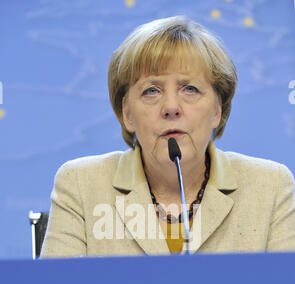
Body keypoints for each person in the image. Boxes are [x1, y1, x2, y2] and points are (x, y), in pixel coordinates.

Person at [40, 16, 295, 258]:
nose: (171, 107)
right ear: (127, 113)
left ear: (217, 110)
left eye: (190, 89)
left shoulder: (270, 187)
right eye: (152, 90)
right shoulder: (81, 185)